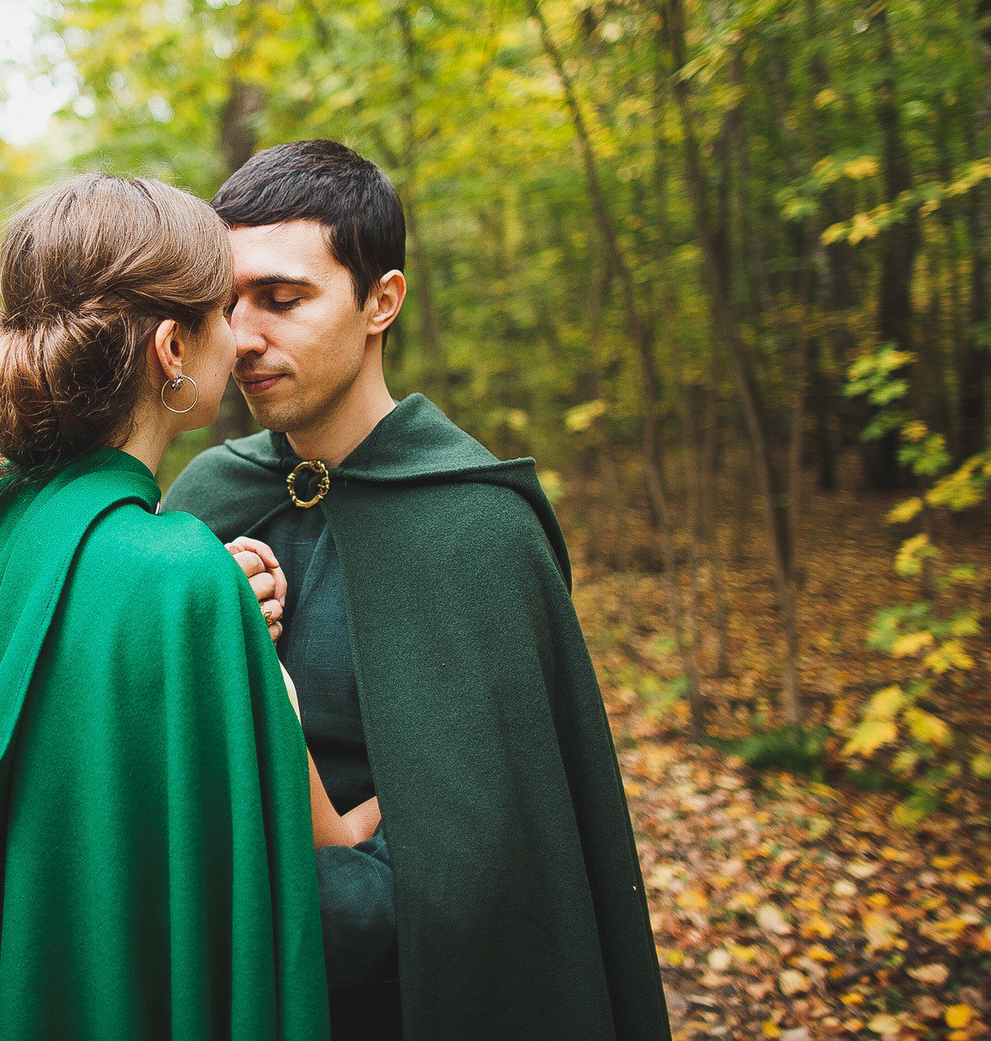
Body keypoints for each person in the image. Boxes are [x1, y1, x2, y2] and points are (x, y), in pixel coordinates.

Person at [0, 174, 378, 1040]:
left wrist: (203, 605)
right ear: (171, 350)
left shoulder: (0, 520)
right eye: (222, 311)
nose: (241, 338)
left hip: (22, 992)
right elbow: (294, 869)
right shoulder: (183, 577)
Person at [163, 140, 672, 1041]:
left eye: (283, 299)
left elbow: (468, 882)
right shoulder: (205, 497)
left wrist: (237, 893)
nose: (244, 337)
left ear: (381, 301)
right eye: (228, 303)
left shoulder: (475, 528)